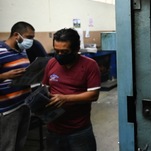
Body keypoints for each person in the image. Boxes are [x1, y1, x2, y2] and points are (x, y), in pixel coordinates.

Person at [42, 28, 101, 151]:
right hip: (53, 129)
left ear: (76, 49)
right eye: (56, 51)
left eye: (64, 52)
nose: (59, 55)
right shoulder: (51, 63)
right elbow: (45, 88)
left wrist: (65, 98)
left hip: (79, 131)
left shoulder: (90, 65)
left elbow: (93, 95)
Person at [0, 21, 35, 151]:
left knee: (20, 144)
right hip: (8, 110)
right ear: (16, 34)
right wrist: (4, 76)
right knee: (7, 146)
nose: (31, 41)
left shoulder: (22, 50)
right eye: (29, 37)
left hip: (24, 104)